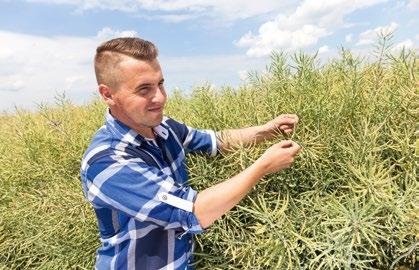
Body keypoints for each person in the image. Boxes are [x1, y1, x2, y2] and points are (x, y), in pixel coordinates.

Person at [80, 37, 301, 270]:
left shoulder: (164, 128)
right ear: (107, 94)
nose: (160, 97)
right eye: (144, 89)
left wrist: (266, 131)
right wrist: (264, 165)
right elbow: (194, 211)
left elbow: (216, 140)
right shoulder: (107, 163)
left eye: (160, 84)